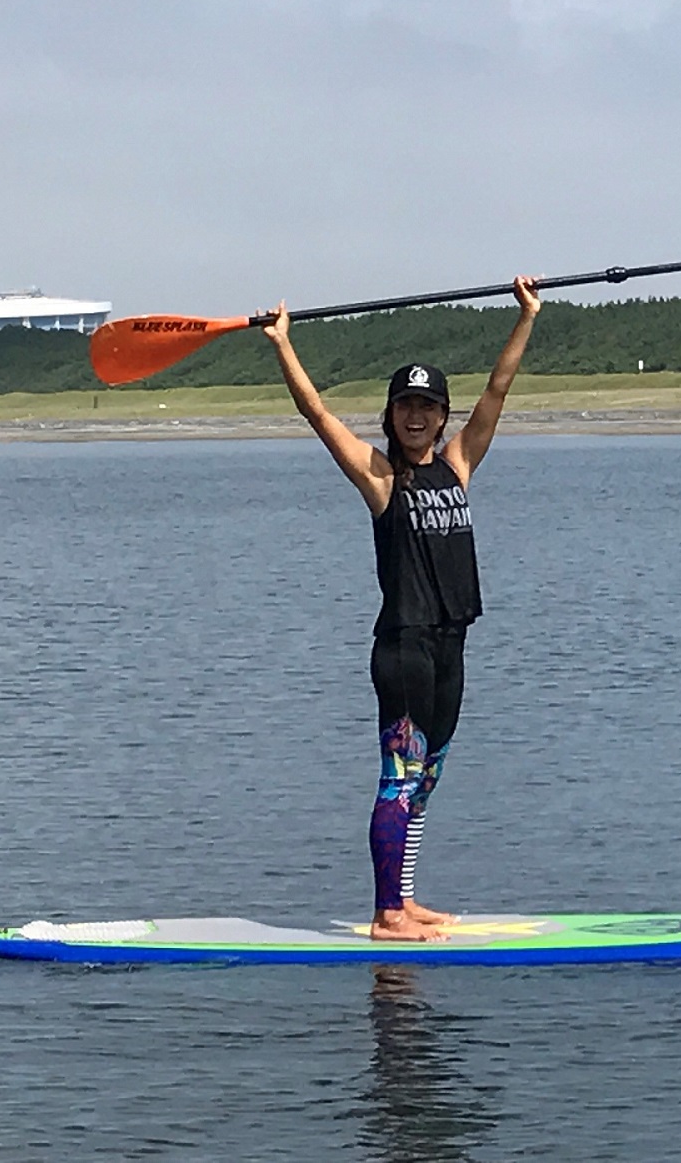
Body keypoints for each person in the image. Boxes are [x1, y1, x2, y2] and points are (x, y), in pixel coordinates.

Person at [263, 278, 542, 942]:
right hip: (404, 646)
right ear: (390, 416)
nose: (416, 416)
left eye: (428, 406)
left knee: (428, 775)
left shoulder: (458, 463)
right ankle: (387, 912)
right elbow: (316, 413)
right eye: (405, 406)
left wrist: (526, 315)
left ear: (442, 415)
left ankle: (404, 897)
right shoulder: (380, 477)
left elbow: (497, 392)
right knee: (400, 772)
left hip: (451, 643)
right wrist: (282, 343)